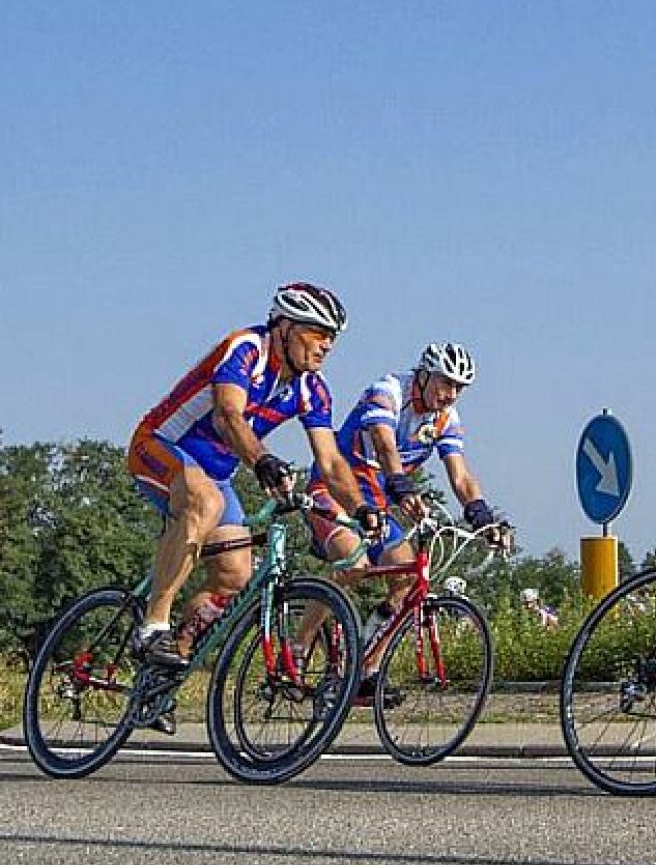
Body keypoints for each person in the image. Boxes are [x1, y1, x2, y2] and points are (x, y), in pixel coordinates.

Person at [126, 283, 380, 689]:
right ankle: (153, 625)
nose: (326, 346)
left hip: (216, 476)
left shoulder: (311, 389)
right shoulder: (245, 349)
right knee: (204, 501)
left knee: (235, 575)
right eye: (316, 333)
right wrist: (262, 461)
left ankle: (162, 677)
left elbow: (331, 462)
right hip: (159, 447)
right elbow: (229, 416)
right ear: (283, 327)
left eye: (331, 338)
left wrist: (362, 508)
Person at [306, 342, 503, 695]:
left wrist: (482, 516)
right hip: (335, 488)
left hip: (378, 500)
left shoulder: (445, 419)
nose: (452, 394)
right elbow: (385, 446)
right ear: (424, 375)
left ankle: (366, 669)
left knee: (408, 582)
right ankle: (299, 646)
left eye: (460, 387)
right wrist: (402, 487)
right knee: (355, 564)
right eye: (446, 383)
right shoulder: (388, 390)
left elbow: (460, 476)